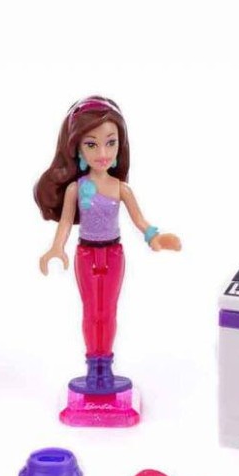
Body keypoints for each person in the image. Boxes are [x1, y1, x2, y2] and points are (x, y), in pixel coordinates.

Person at [34, 95, 180, 393]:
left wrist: (155, 237)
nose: (102, 152)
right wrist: (56, 247)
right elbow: (65, 223)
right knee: (91, 311)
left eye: (110, 143)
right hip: (86, 253)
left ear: (119, 146)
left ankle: (106, 367)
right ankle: (93, 367)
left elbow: (140, 221)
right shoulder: (76, 188)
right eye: (92, 144)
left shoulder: (120, 188)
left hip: (113, 254)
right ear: (77, 148)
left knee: (108, 311)